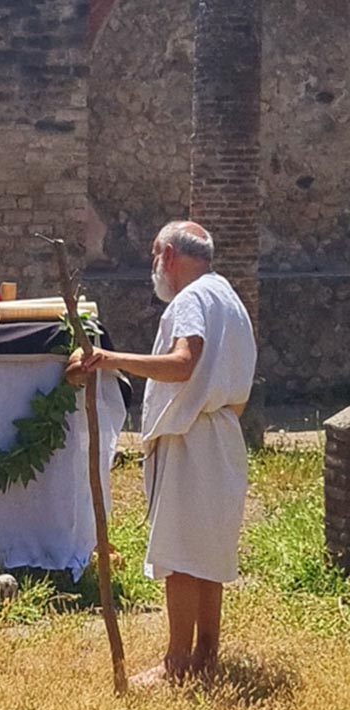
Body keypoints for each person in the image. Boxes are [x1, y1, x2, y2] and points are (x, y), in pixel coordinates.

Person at [81, 221, 256, 683]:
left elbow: (183, 363)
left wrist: (111, 359)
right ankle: (206, 657)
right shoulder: (227, 296)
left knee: (182, 557)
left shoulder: (192, 299)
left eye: (156, 256)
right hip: (221, 433)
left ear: (169, 255)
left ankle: (176, 664)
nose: (155, 267)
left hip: (193, 438)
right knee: (207, 557)